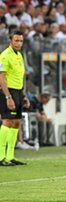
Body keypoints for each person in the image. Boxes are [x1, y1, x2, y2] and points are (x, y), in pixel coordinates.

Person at [0, 30, 30, 166]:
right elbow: (1, 77)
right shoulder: (5, 55)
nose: (19, 43)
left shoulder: (19, 55)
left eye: (21, 41)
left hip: (18, 91)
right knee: (7, 121)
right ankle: (1, 157)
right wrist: (8, 97)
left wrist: (24, 95)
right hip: (8, 91)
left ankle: (10, 156)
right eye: (16, 41)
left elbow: (20, 77)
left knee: (16, 122)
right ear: (10, 41)